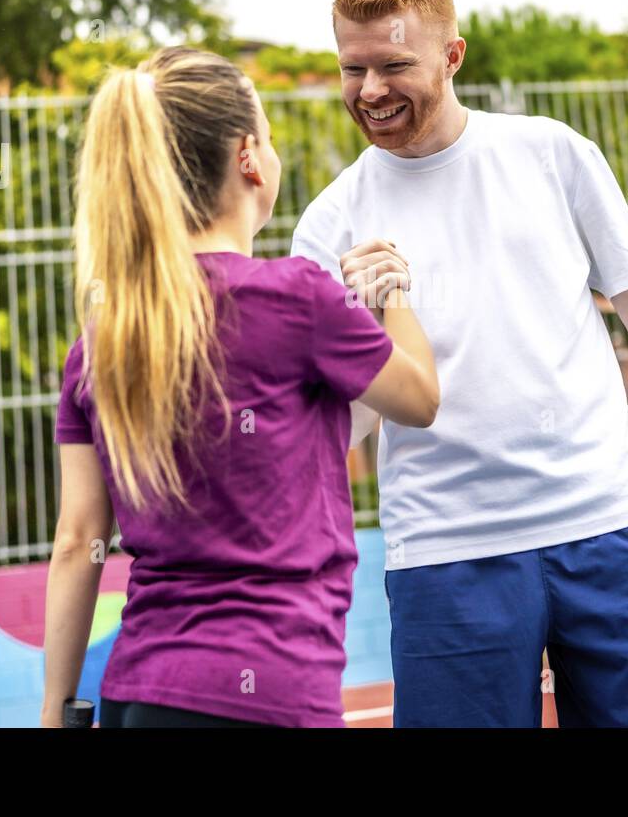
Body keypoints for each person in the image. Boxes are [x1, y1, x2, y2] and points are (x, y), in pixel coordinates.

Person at [290, 0, 628, 727]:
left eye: (394, 65)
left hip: (615, 523)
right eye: (352, 69)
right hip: (445, 552)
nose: (370, 90)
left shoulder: (552, 153)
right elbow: (342, 427)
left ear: (453, 57)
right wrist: (365, 333)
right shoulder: (329, 225)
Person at [40, 45, 439, 728]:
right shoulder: (298, 296)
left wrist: (54, 709)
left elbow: (78, 542)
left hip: (137, 692)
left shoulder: (101, 344)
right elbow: (420, 399)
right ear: (250, 157)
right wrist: (393, 284)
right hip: (270, 691)